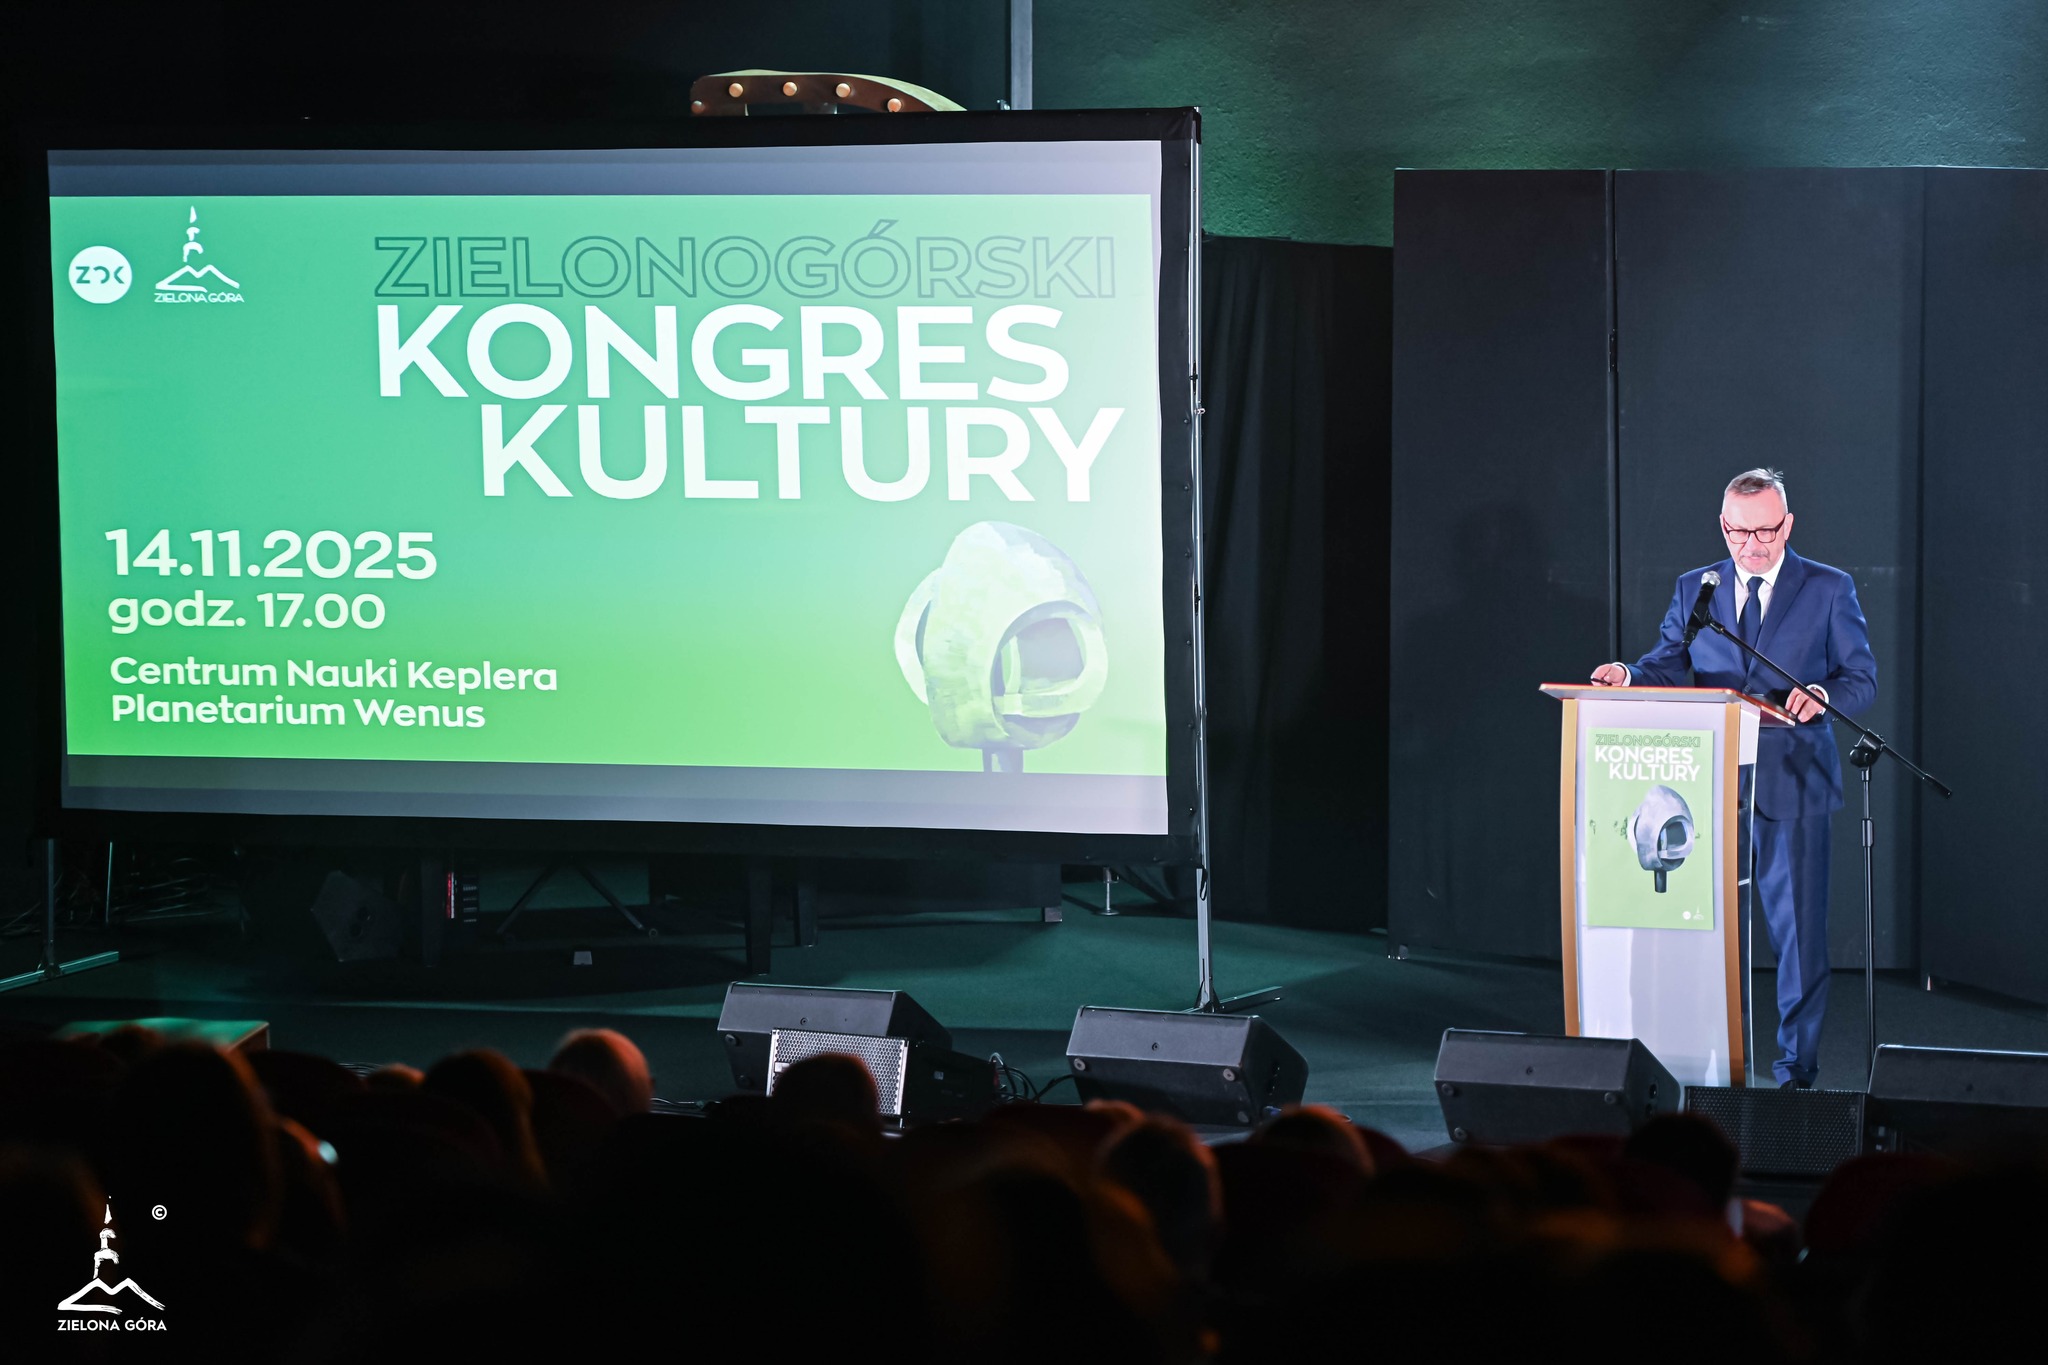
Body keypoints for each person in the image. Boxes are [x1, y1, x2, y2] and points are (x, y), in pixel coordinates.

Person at [1590, 468, 1876, 1087]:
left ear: (1788, 524)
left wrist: (1824, 696)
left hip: (1793, 784)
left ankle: (1795, 1074)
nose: (1755, 545)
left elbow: (1861, 678)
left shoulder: (1829, 588)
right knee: (1711, 937)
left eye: (1767, 531)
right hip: (1711, 788)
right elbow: (1668, 663)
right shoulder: (1697, 588)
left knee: (1799, 940)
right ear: (1723, 527)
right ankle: (1715, 1068)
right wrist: (1629, 675)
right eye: (1741, 532)